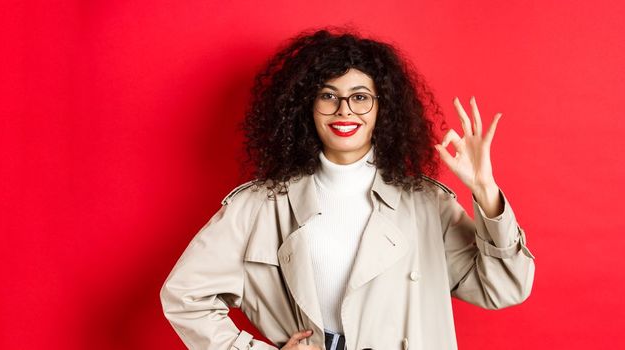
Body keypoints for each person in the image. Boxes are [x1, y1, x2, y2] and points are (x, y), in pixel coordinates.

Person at [160, 27, 535, 350]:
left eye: (360, 97)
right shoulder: (260, 205)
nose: (344, 110)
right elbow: (184, 295)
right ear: (306, 107)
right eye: (328, 96)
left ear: (380, 109)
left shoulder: (426, 203)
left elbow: (504, 288)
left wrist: (486, 191)